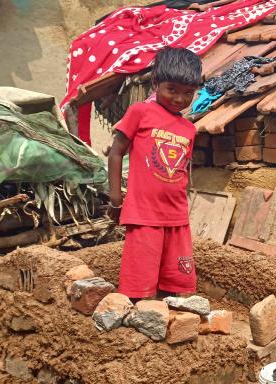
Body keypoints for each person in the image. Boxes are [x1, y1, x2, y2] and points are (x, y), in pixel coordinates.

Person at [106, 47, 202, 300]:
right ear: (156, 83)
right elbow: (116, 153)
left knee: (178, 284)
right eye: (172, 89)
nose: (180, 99)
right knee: (140, 285)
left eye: (188, 93)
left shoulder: (188, 128)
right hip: (144, 213)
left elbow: (180, 170)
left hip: (177, 215)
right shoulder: (140, 112)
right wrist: (116, 198)